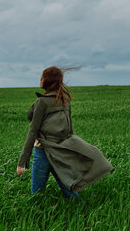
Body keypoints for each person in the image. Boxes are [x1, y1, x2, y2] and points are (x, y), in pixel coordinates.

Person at [16, 66, 115, 203]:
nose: (40, 79)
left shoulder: (42, 102)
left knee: (36, 195)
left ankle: (36, 218)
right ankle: (84, 215)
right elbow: (69, 131)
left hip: (43, 151)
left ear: (47, 81)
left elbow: (33, 130)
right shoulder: (64, 101)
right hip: (59, 152)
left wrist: (22, 161)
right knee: (69, 189)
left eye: (42, 77)